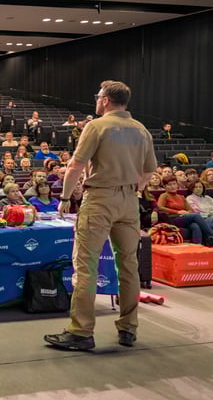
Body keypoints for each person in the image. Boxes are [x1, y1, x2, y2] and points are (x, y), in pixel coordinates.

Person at [44, 80, 157, 352]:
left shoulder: (97, 126)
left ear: (105, 100)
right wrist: (131, 189)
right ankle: (128, 328)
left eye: (98, 97)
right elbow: (148, 171)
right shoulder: (141, 129)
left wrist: (65, 198)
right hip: (129, 202)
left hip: (100, 199)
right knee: (128, 265)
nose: (96, 100)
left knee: (86, 266)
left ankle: (81, 331)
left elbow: (75, 165)